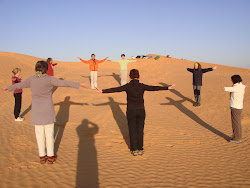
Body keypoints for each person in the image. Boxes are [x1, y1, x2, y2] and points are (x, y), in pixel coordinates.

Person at [2, 61, 90, 164]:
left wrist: (8, 88)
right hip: (47, 111)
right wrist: (80, 84)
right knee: (49, 134)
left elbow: (19, 85)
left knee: (39, 135)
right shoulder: (50, 79)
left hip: (36, 112)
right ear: (46, 69)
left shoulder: (31, 79)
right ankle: (51, 157)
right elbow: (65, 83)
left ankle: (42, 157)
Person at [96, 69, 175, 156]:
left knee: (132, 130)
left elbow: (116, 89)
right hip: (141, 110)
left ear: (130, 76)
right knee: (140, 130)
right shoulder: (141, 86)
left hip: (131, 111)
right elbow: (153, 88)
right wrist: (167, 87)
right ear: (138, 76)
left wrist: (102, 91)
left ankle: (134, 150)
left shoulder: (128, 86)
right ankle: (140, 149)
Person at [224, 75, 246, 144]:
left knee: (236, 123)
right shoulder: (241, 86)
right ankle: (236, 136)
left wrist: (222, 87)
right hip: (238, 107)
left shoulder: (236, 87)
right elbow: (242, 86)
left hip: (235, 107)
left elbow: (226, 89)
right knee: (237, 123)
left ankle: (237, 138)